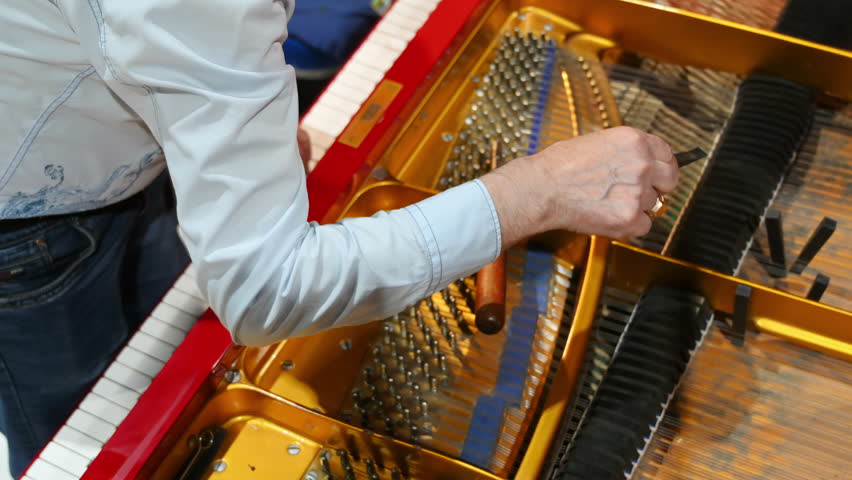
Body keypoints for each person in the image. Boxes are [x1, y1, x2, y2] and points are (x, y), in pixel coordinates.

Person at [0, 0, 678, 476]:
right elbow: (267, 291)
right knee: (88, 440)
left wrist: (225, 120)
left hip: (99, 138)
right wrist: (537, 192)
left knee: (168, 366)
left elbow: (151, 35)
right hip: (31, 232)